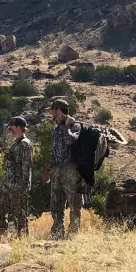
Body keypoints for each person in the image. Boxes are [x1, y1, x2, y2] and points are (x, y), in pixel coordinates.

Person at [44, 99, 84, 239]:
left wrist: (67, 126)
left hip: (71, 171)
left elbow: (70, 141)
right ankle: (57, 232)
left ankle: (73, 234)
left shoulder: (75, 125)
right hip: (57, 170)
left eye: (53, 111)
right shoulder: (56, 129)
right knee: (56, 203)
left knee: (74, 204)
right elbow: (55, 150)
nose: (52, 115)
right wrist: (49, 168)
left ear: (59, 111)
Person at [0, 116, 33, 238]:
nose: (10, 130)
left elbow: (26, 168)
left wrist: (23, 187)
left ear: (19, 128)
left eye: (12, 128)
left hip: (18, 186)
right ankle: (3, 238)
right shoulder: (16, 144)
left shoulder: (25, 144)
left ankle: (23, 241)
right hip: (8, 184)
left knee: (19, 216)